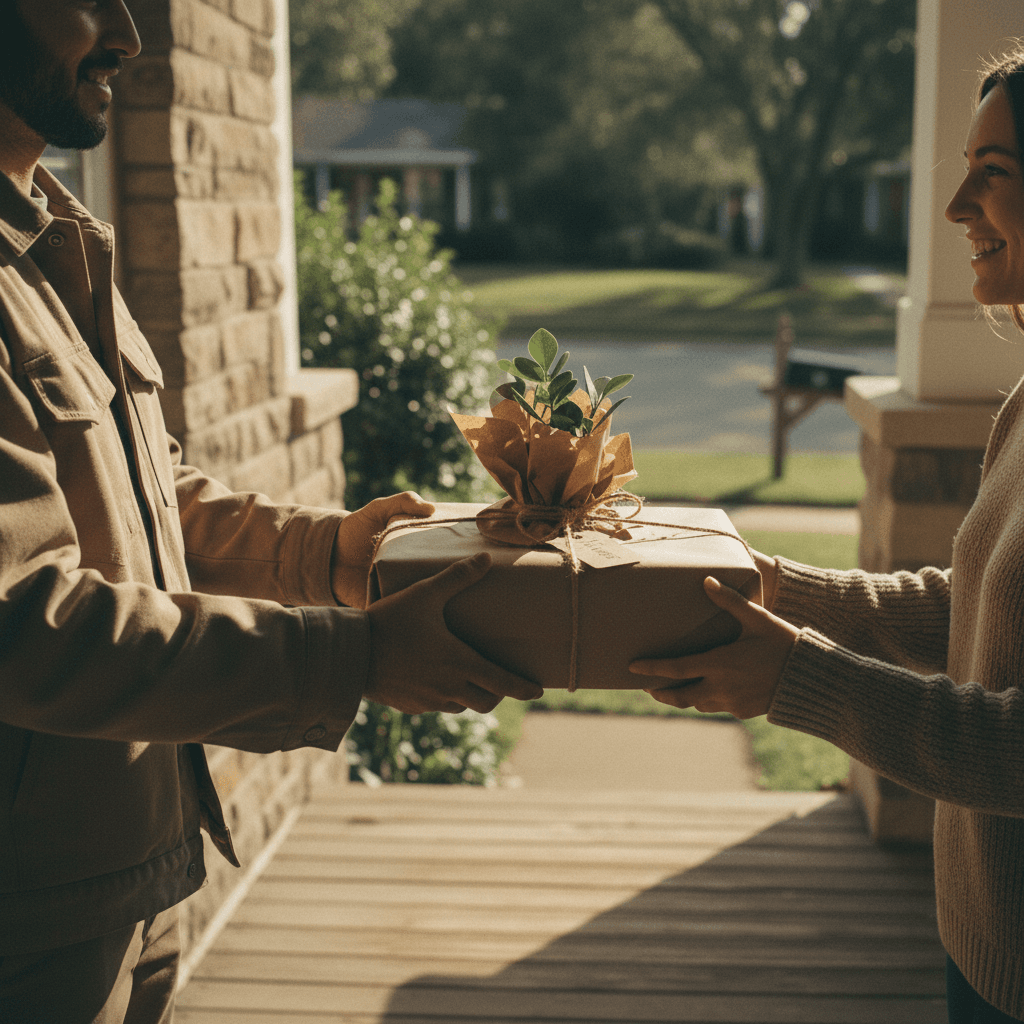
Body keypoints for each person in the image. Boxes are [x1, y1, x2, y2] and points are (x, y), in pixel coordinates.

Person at [0, 1, 542, 1020]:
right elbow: (21, 621)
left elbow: (148, 496)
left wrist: (328, 554)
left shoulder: (54, 236)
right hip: (27, 918)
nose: (127, 34)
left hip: (131, 873)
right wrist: (351, 658)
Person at [630, 49, 1024, 1024]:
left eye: (996, 172)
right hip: (980, 944)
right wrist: (775, 585)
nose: (956, 205)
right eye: (965, 168)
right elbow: (969, 608)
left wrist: (794, 678)